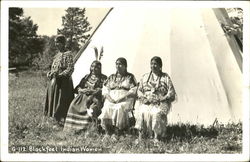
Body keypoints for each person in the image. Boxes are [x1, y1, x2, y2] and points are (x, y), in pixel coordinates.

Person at [135, 56, 176, 142]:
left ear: (160, 66)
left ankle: (156, 136)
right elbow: (139, 90)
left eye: (155, 64)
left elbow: (171, 92)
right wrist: (144, 98)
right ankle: (141, 135)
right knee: (142, 112)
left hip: (161, 102)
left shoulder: (165, 77)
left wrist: (163, 98)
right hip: (147, 101)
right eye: (151, 64)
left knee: (156, 113)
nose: (153, 66)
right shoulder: (145, 77)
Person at [64, 60, 107, 132]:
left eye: (96, 67)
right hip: (82, 97)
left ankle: (86, 129)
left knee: (90, 109)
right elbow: (78, 87)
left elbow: (104, 90)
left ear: (100, 68)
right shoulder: (87, 77)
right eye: (92, 66)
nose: (93, 69)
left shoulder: (103, 78)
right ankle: (72, 128)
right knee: (72, 105)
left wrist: (93, 91)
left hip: (94, 98)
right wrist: (82, 90)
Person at [99, 57, 137, 138]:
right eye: (117, 64)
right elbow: (105, 89)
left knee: (119, 108)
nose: (118, 66)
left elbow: (133, 90)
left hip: (125, 100)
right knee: (107, 108)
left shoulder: (130, 77)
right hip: (112, 99)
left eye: (120, 64)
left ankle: (118, 131)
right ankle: (108, 131)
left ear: (125, 66)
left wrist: (122, 98)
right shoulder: (111, 77)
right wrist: (110, 99)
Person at [44, 35, 74, 126]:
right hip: (54, 81)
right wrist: (49, 73)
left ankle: (62, 119)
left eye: (58, 42)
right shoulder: (56, 56)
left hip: (64, 82)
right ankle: (54, 118)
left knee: (61, 100)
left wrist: (61, 75)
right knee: (54, 99)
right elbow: (51, 68)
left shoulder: (68, 54)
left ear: (63, 43)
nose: (56, 44)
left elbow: (70, 68)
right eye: (56, 42)